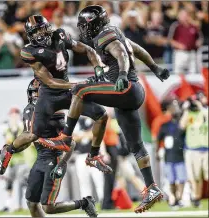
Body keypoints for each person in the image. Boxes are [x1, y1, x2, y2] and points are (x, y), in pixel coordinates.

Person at [39, 5, 170, 213]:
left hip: (124, 88)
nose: (82, 30)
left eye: (84, 25)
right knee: (135, 145)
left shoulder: (103, 36)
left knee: (80, 89)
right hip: (131, 93)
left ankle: (67, 138)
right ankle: (152, 187)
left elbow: (122, 54)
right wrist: (154, 67)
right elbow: (135, 49)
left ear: (93, 24)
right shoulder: (114, 31)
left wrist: (122, 75)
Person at [0, 14, 111, 177]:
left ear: (48, 27)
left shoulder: (60, 36)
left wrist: (98, 68)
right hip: (48, 96)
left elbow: (88, 49)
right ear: (30, 36)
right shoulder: (30, 52)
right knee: (32, 134)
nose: (40, 34)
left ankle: (93, 155)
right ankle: (8, 150)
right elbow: (50, 82)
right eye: (35, 32)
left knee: (101, 115)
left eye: (42, 29)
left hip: (66, 92)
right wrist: (77, 85)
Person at [0, 79, 98, 217]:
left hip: (55, 159)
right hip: (40, 159)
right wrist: (5, 152)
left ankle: (84, 203)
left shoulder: (54, 111)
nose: (36, 96)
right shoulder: (29, 110)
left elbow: (70, 143)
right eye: (34, 93)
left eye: (39, 92)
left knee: (48, 207)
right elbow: (26, 141)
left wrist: (62, 163)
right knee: (31, 203)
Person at [180, 94, 208, 208]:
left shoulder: (205, 112)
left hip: (206, 150)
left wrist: (201, 107)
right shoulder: (189, 114)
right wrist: (186, 110)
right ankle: (196, 198)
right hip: (193, 150)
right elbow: (181, 126)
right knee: (196, 177)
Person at [157, 99, 186, 209]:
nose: (175, 109)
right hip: (169, 156)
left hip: (181, 155)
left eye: (177, 106)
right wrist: (156, 152)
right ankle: (174, 198)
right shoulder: (165, 125)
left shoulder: (182, 124)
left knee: (182, 178)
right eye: (173, 107)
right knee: (172, 179)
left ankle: (180, 198)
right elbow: (158, 139)